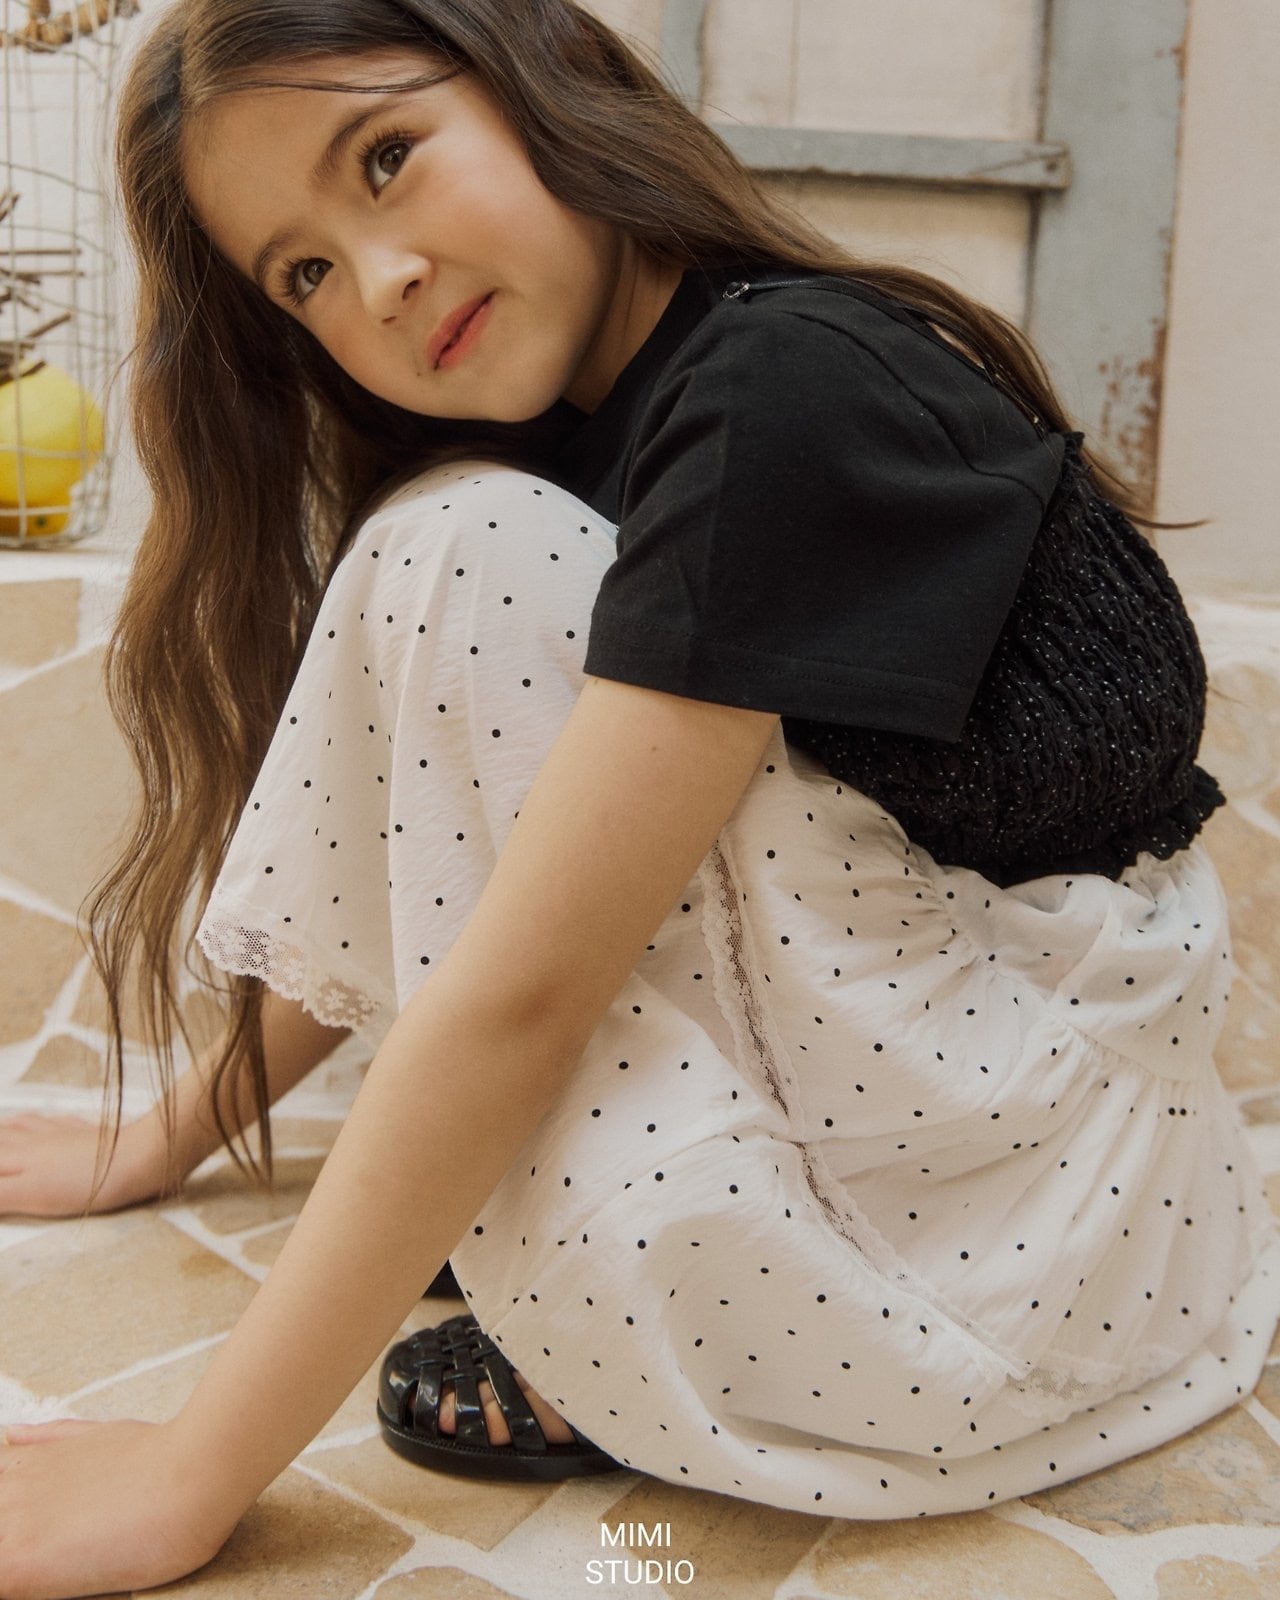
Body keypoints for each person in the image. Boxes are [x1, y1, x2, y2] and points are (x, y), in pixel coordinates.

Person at [1, 0, 1277, 1593]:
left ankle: (683, 1311)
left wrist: (188, 1474)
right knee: (451, 538)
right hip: (1045, 1217)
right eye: (304, 274)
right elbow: (437, 844)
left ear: (543, 79)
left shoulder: (778, 391)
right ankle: (676, 1280)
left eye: (385, 158)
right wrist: (173, 1134)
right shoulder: (589, 424)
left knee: (460, 551)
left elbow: (522, 989)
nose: (378, 280)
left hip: (1008, 1288)